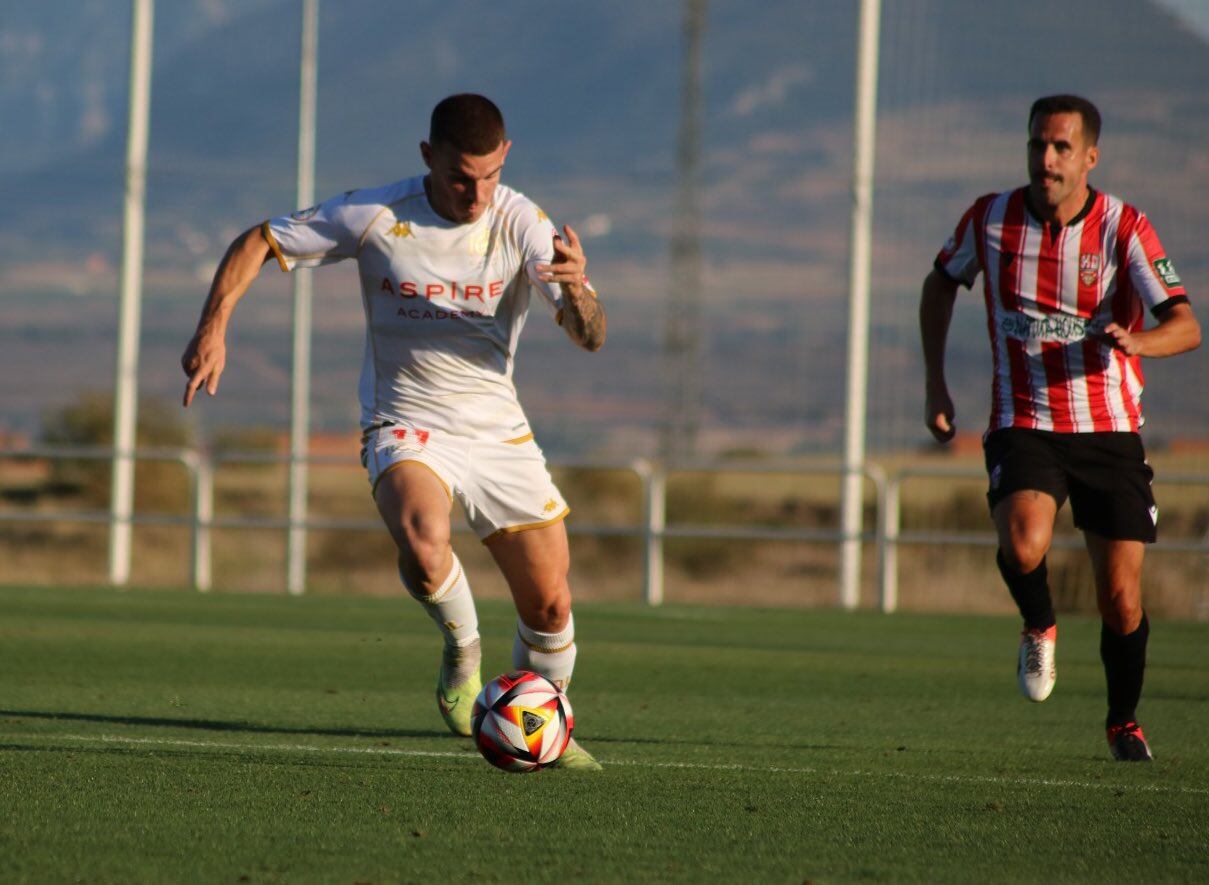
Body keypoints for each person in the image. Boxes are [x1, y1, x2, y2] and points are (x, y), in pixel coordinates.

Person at [181, 94, 606, 769]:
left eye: (490, 175)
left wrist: (579, 288)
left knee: (551, 603)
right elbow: (258, 240)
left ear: (506, 159)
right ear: (428, 156)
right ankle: (463, 654)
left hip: (497, 431)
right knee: (421, 535)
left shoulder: (523, 221)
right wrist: (214, 326)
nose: (476, 192)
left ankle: (546, 729)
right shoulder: (376, 213)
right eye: (462, 176)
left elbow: (588, 337)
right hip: (405, 421)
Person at [919, 94, 1200, 761]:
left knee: (1121, 598)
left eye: (1060, 148)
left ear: (1088, 157)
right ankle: (1038, 622)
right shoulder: (989, 219)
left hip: (1108, 430)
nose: (1044, 159)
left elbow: (1185, 325)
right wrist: (934, 380)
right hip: (1025, 421)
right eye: (1036, 145)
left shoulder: (1124, 228)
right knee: (1021, 546)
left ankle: (1121, 720)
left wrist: (1137, 342)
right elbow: (938, 284)